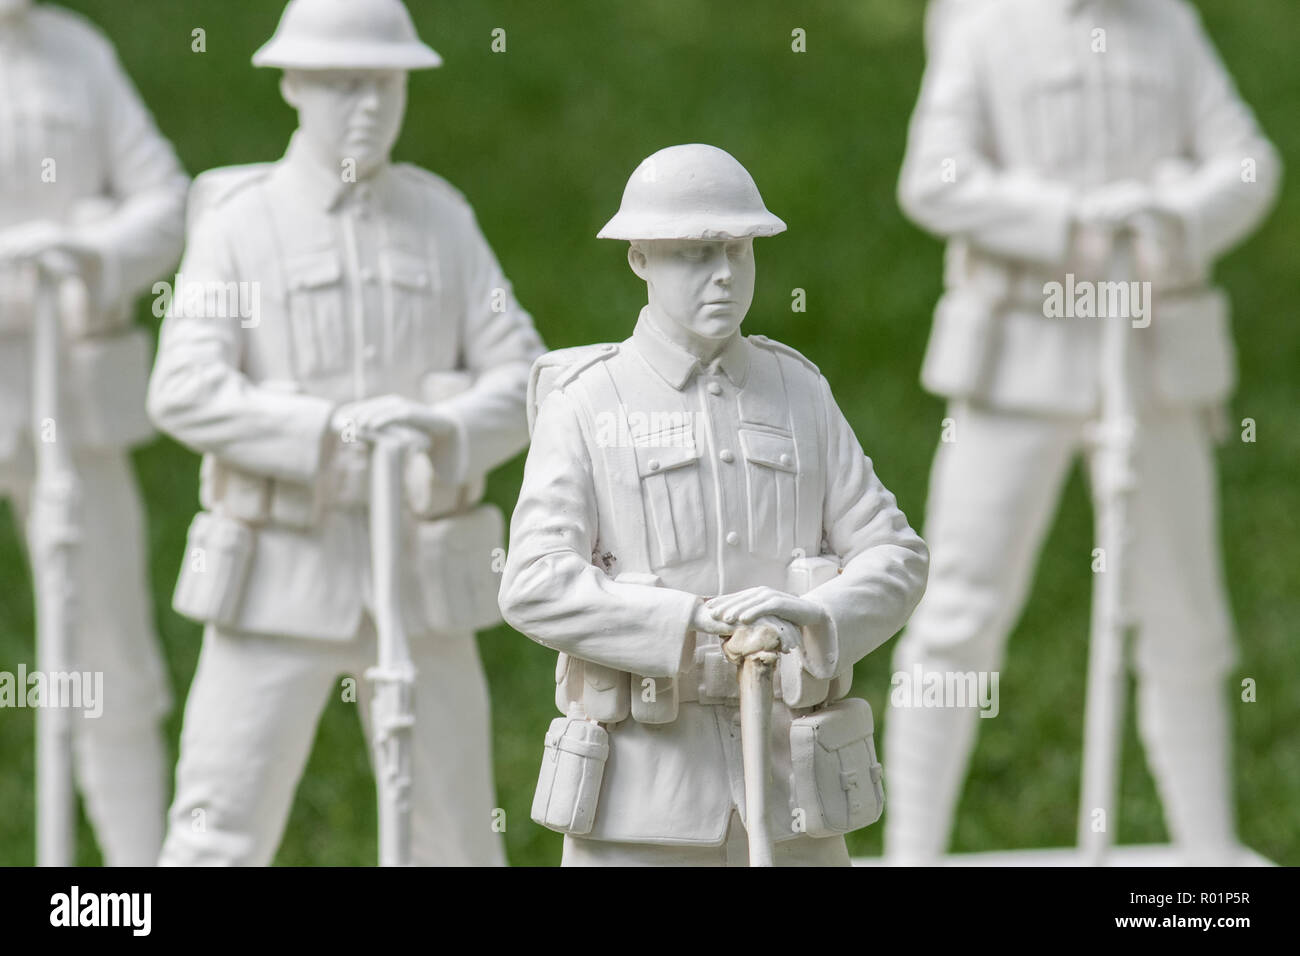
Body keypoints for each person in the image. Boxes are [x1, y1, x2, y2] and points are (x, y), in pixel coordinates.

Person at [149, 0, 544, 866]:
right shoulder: (239, 224)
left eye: (385, 82)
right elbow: (182, 387)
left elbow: (526, 379)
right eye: (341, 83)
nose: (367, 103)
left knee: (459, 833)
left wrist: (439, 430)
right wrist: (325, 432)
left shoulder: (442, 219)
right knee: (219, 826)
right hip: (281, 575)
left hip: (417, 580)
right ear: (293, 84)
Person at [888, 0, 1281, 863]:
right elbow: (935, 176)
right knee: (960, 610)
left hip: (1150, 361)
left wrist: (1172, 215)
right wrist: (1066, 221)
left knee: (1185, 615)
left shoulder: (1169, 24)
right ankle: (913, 850)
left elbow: (1250, 165)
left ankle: (1207, 848)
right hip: (1021, 358)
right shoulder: (986, 27)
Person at [499, 144, 929, 866]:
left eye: (737, 248)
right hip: (644, 794)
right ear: (640, 259)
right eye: (695, 253)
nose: (725, 274)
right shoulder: (587, 402)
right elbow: (534, 583)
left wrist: (816, 618)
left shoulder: (799, 392)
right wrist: (684, 621)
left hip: (793, 790)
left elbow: (895, 555)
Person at [0, 0, 188, 866]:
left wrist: (91, 260)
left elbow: (165, 200)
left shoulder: (77, 51)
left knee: (109, 647)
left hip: (67, 396)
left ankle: (131, 873)